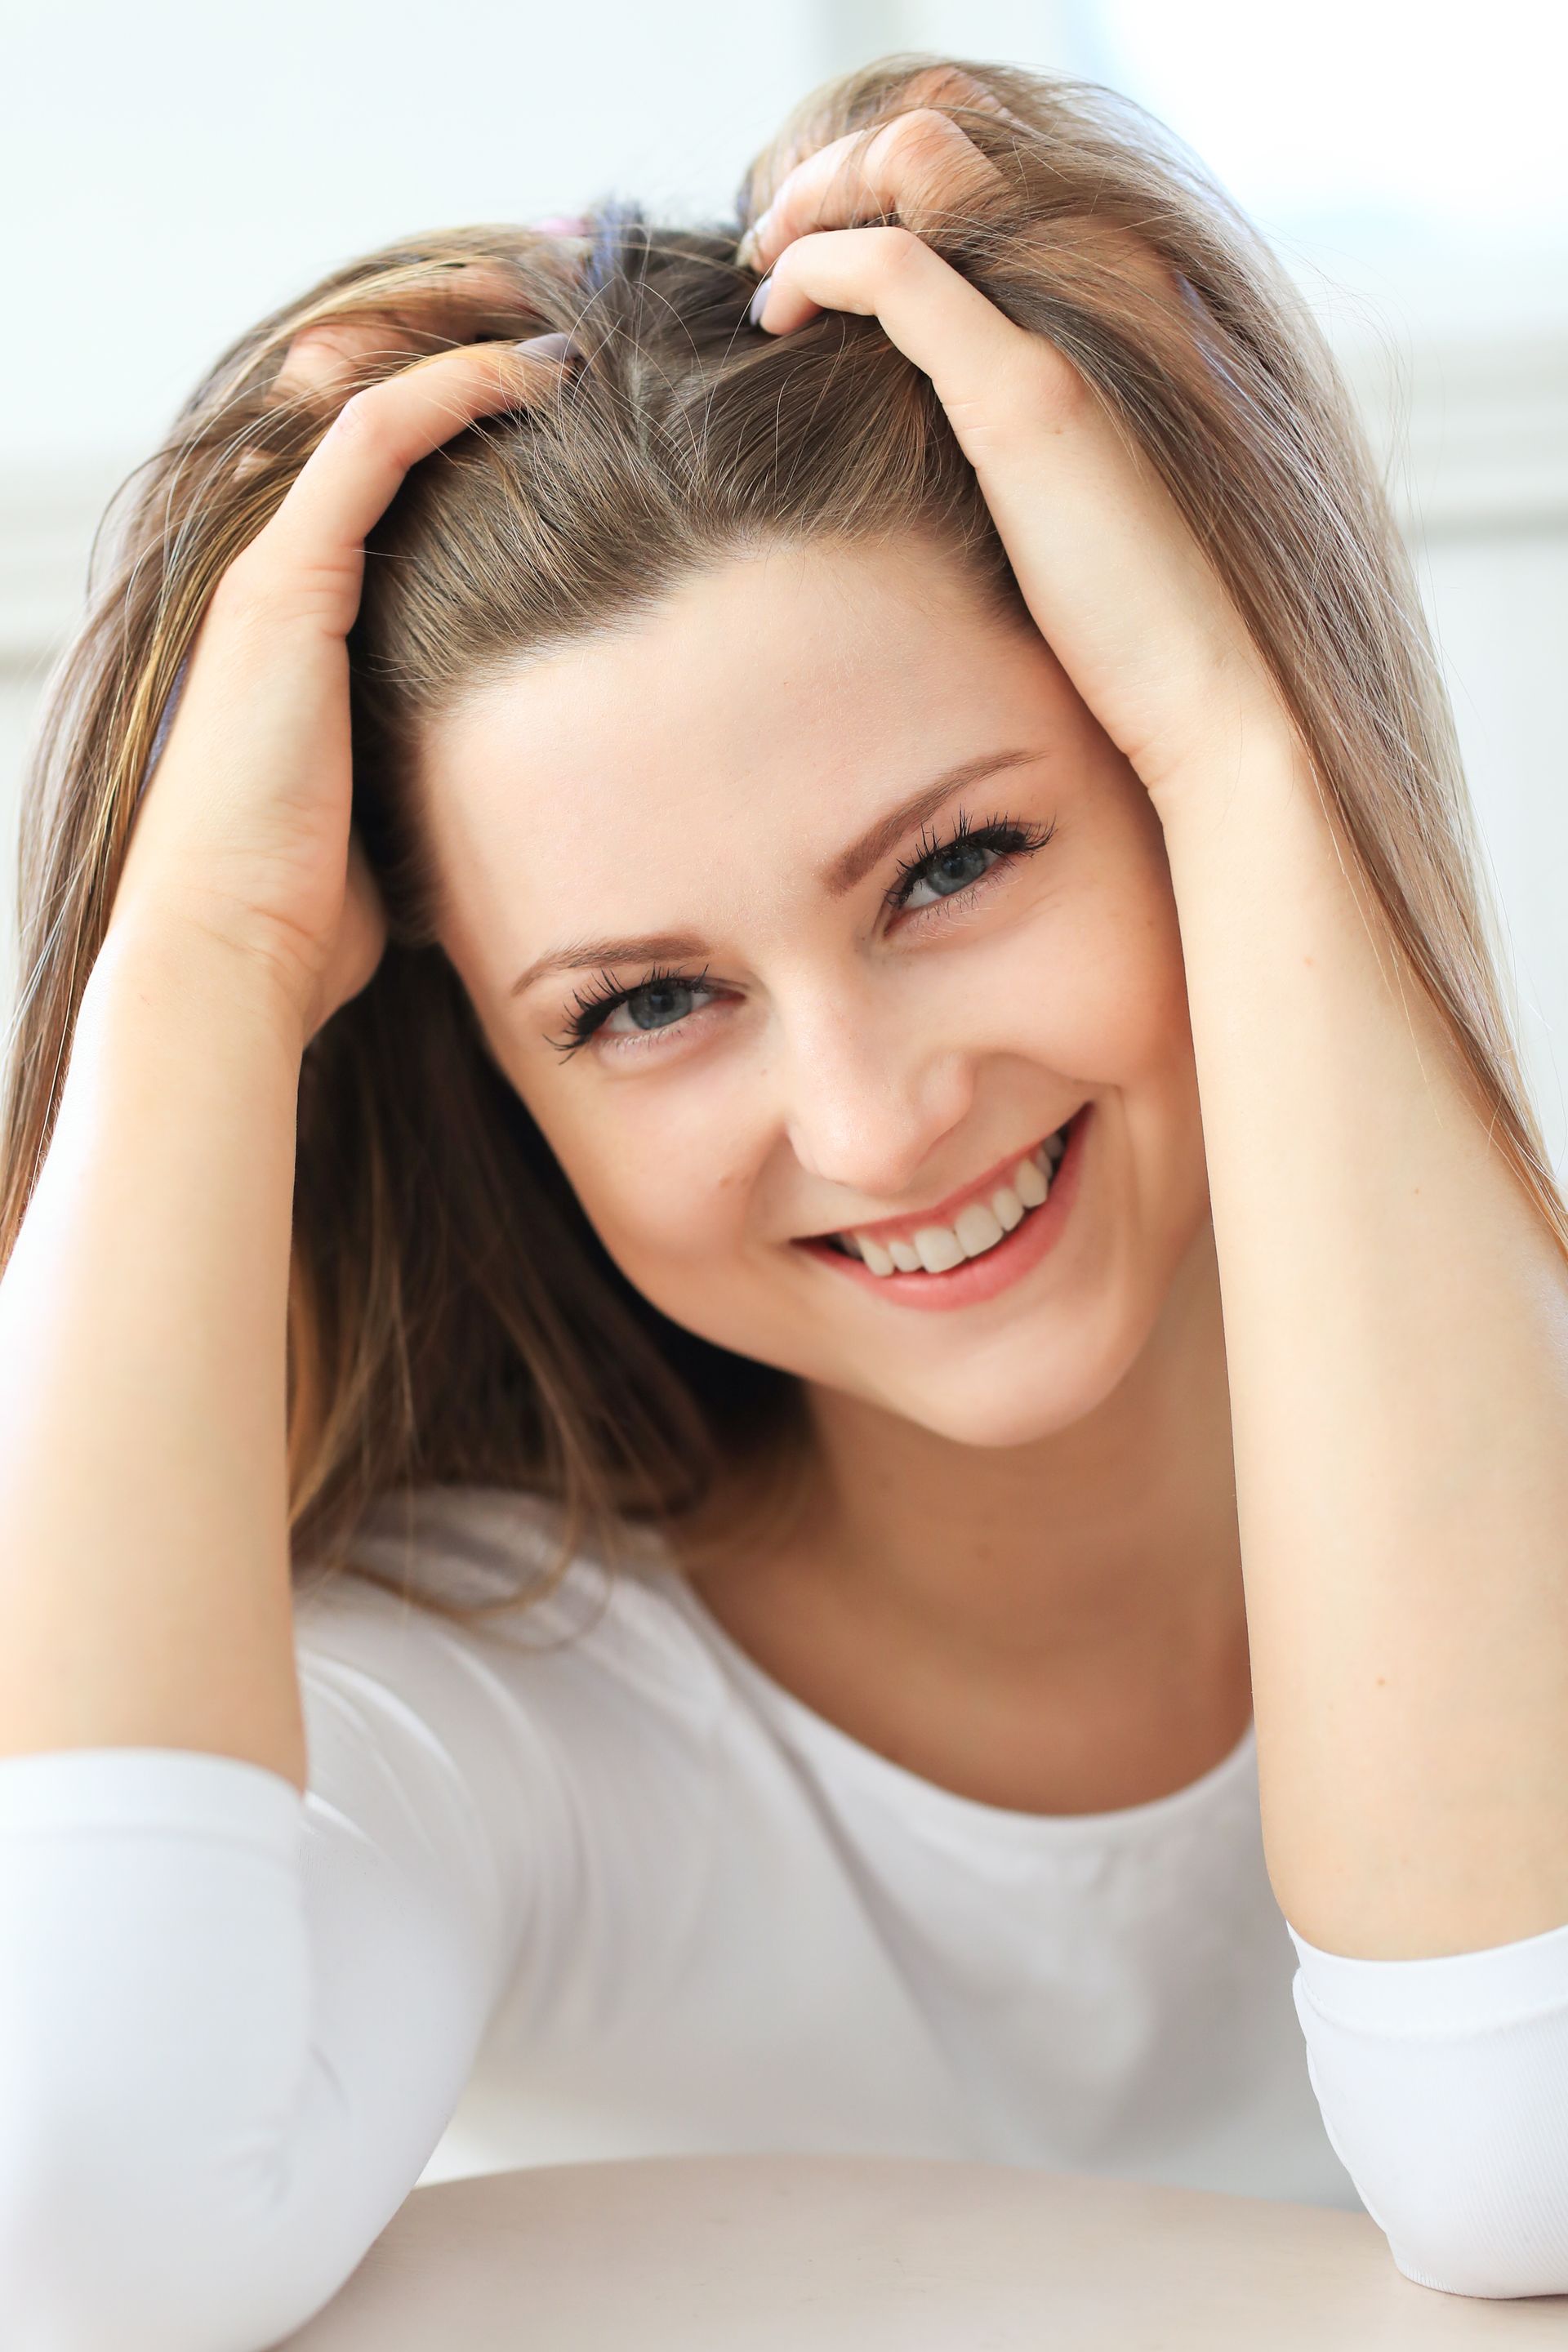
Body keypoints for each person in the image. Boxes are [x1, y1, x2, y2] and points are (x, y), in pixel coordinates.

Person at [2, 51, 1566, 2347]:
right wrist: (199, 967)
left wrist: (1259, 756)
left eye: (956, 862)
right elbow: (75, 2220)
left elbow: (1526, 2151)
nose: (869, 1122)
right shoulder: (496, 1686)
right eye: (643, 1006)